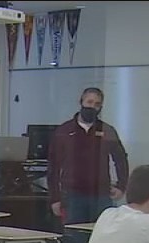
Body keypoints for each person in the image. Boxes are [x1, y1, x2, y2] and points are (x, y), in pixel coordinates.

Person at [47, 87, 130, 226]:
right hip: (73, 195)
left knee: (102, 235)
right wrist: (55, 198)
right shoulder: (64, 131)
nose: (93, 106)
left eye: (97, 104)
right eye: (89, 102)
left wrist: (121, 185)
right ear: (81, 102)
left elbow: (121, 159)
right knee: (75, 237)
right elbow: (53, 166)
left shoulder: (107, 131)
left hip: (101, 195)